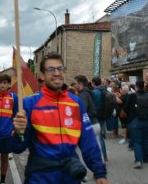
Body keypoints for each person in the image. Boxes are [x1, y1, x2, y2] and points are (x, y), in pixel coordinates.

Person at [12, 52, 107, 183]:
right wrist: (18, 132)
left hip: (70, 175)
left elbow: (88, 141)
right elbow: (18, 148)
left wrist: (100, 172)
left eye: (60, 68)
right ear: (41, 75)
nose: (57, 73)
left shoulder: (76, 103)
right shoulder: (29, 104)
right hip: (40, 177)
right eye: (51, 69)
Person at [124, 80, 148, 169]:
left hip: (135, 121)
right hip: (147, 120)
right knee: (145, 140)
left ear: (136, 87)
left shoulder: (132, 96)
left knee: (137, 142)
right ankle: (146, 158)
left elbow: (126, 108)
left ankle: (138, 160)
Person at [74, 75, 102, 154]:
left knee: (90, 152)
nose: (74, 85)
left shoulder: (83, 95)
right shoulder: (87, 92)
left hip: (90, 125)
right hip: (95, 123)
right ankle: (100, 164)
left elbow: (82, 110)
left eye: (75, 83)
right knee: (96, 149)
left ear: (80, 84)